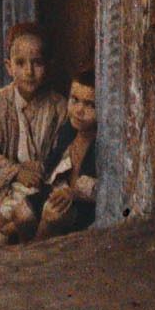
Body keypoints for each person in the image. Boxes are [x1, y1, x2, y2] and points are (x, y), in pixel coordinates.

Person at [0, 23, 67, 246]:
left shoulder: (58, 106)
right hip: (9, 185)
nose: (29, 72)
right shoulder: (1, 102)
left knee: (48, 203)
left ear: (48, 66)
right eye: (20, 64)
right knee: (17, 199)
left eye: (37, 63)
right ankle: (6, 227)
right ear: (9, 67)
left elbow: (63, 153)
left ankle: (7, 229)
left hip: (42, 182)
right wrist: (16, 171)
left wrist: (41, 170)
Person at [35, 69, 99, 239]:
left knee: (52, 215)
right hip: (60, 193)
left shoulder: (101, 144)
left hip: (86, 205)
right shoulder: (67, 132)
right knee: (21, 213)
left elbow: (104, 188)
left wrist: (74, 193)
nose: (79, 110)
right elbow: (52, 168)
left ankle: (34, 253)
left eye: (90, 105)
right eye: (74, 100)